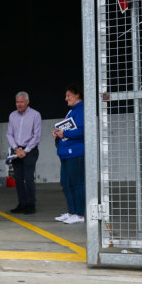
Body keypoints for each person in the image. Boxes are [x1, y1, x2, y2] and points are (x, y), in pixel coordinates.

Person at [52, 84, 85, 224]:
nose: (66, 99)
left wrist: (64, 133)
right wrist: (58, 133)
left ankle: (79, 215)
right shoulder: (71, 112)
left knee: (77, 183)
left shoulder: (82, 109)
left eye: (68, 96)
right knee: (66, 182)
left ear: (77, 95)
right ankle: (71, 212)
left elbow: (82, 131)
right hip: (66, 153)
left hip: (75, 152)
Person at [6, 91, 42, 214]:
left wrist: (25, 151)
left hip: (30, 151)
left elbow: (37, 136)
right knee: (18, 179)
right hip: (16, 151)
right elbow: (9, 134)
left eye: (21, 102)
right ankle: (22, 204)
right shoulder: (12, 116)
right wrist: (16, 149)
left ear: (27, 102)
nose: (19, 104)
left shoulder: (35, 115)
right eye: (17, 102)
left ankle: (31, 205)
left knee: (28, 178)